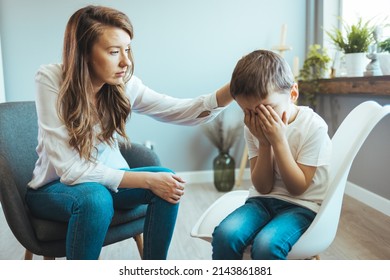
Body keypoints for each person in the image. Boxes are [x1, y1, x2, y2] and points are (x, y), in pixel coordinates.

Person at [26, 5, 233, 260]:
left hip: (107, 182)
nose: (126, 62)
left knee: (168, 181)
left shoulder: (123, 84)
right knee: (96, 198)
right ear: (84, 53)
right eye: (114, 52)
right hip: (54, 188)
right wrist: (146, 180)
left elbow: (181, 110)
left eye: (127, 50)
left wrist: (233, 90)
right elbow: (71, 170)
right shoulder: (50, 79)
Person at [211, 50, 332, 260]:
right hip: (262, 201)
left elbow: (297, 188)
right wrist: (264, 144)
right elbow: (263, 187)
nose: (259, 118)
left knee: (267, 245)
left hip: (302, 206)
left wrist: (278, 140)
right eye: (248, 112)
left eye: (267, 109)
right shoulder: (252, 126)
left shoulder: (313, 127)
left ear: (293, 94)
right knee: (225, 235)